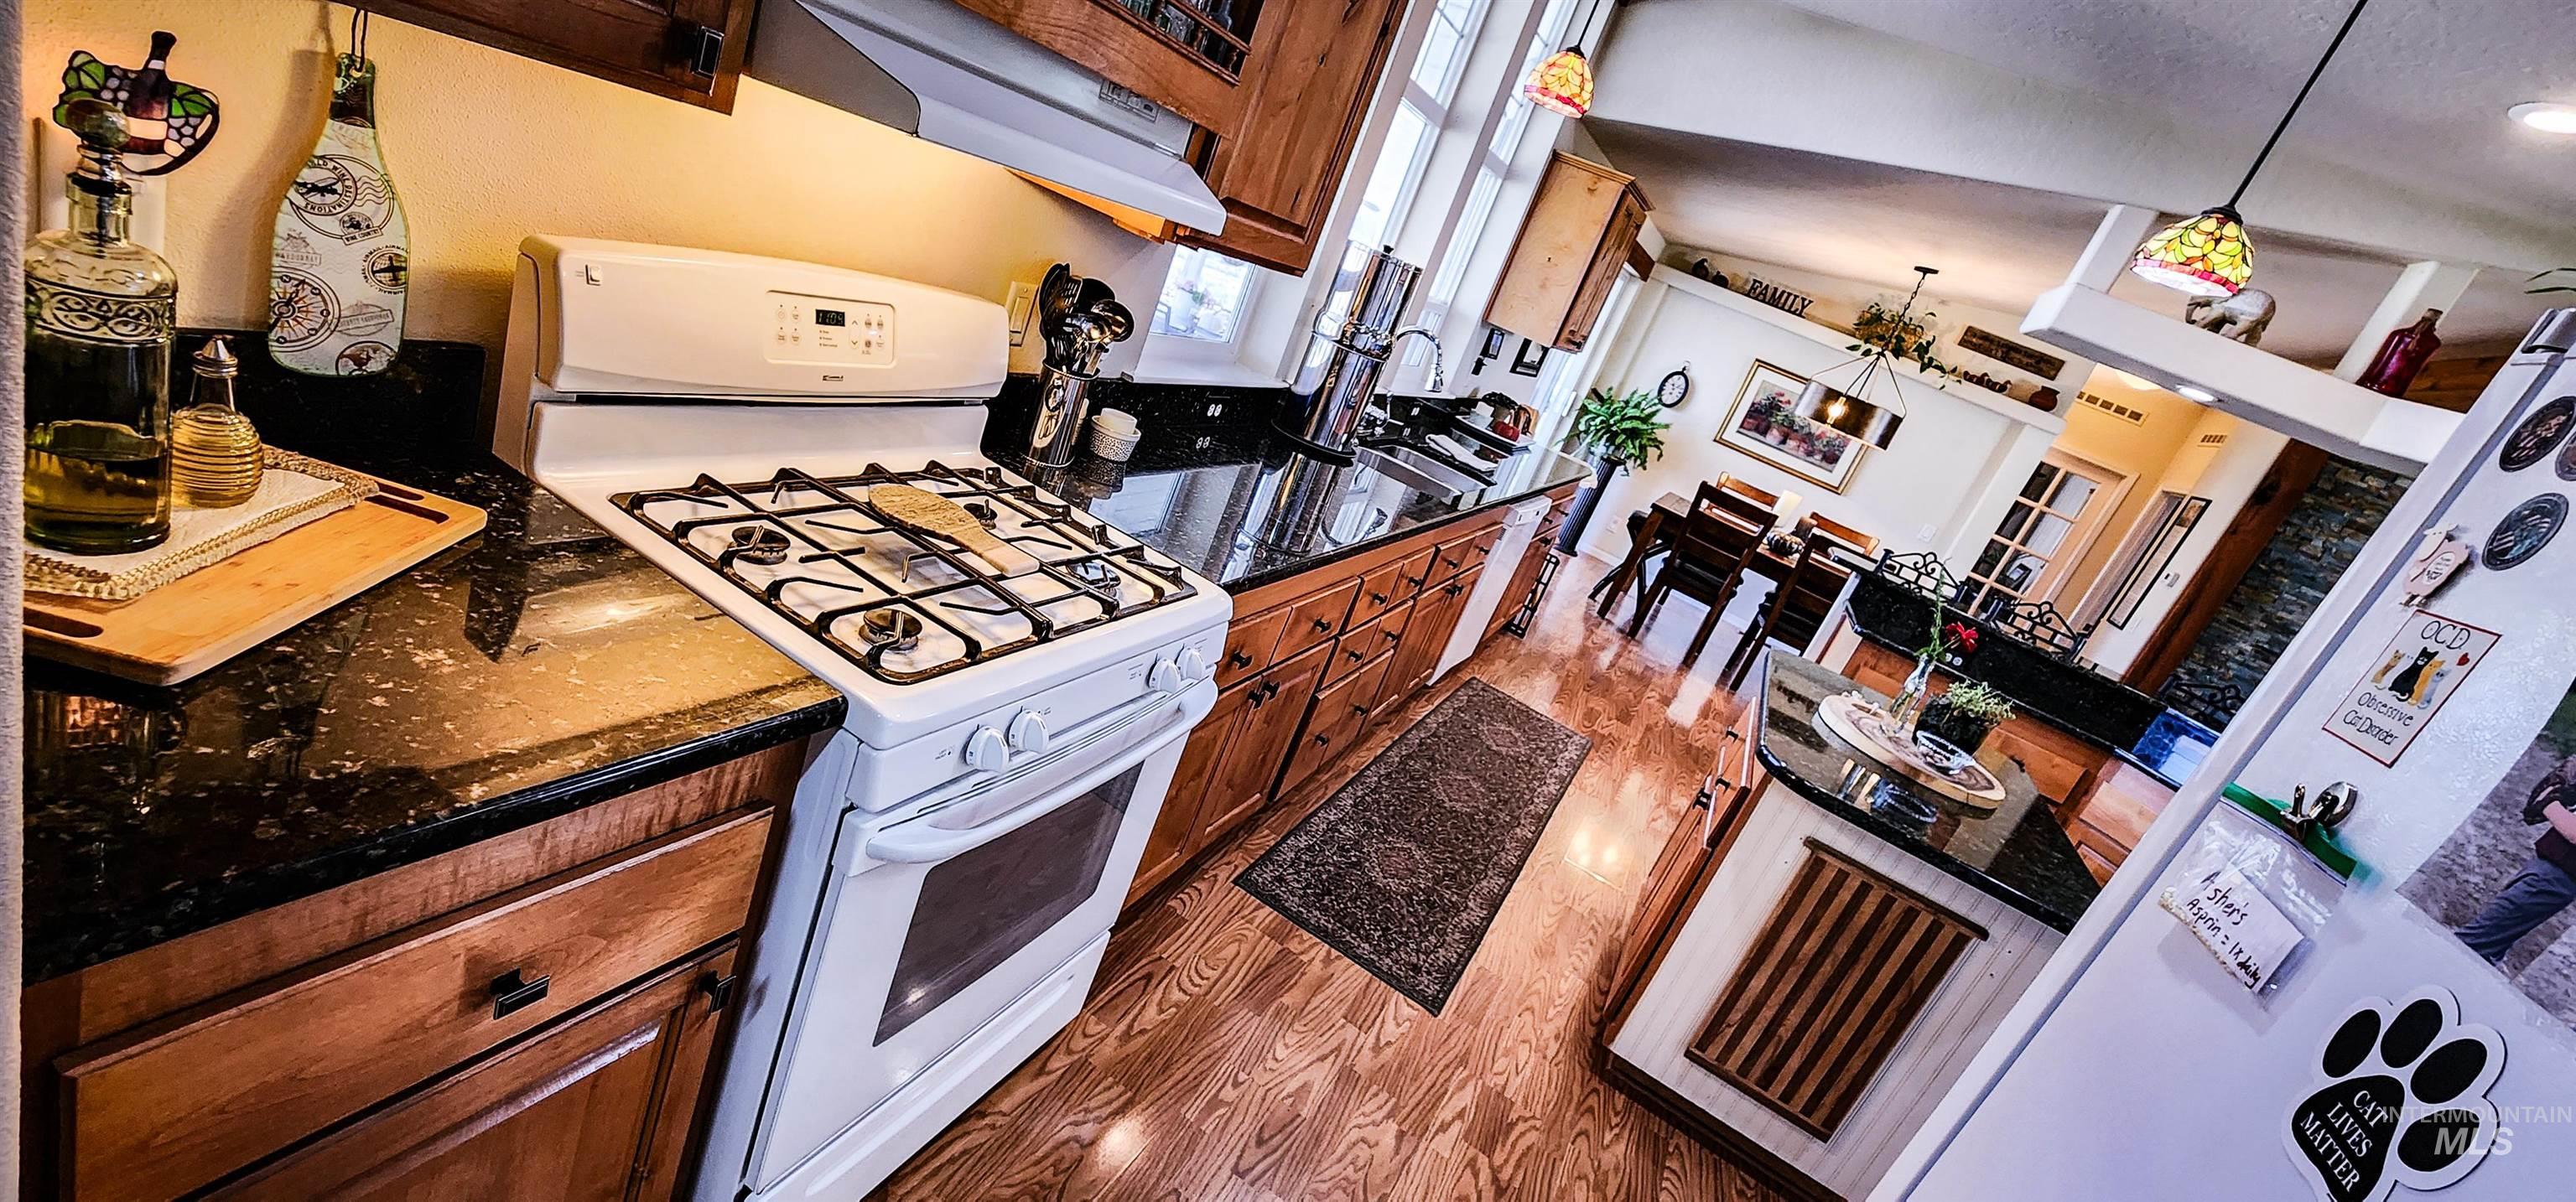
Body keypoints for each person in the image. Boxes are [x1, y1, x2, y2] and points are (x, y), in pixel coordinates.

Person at [2456, 754, 2576, 963]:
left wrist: (2548, 802)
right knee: (2485, 951)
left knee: (2468, 944)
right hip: (2550, 874)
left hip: (2554, 879)